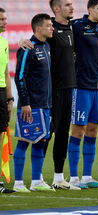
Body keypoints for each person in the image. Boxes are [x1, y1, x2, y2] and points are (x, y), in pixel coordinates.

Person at [19, 0, 79, 190]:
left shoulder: (73, 27)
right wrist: (22, 40)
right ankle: (37, 178)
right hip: (51, 92)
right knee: (45, 135)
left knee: (63, 134)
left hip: (69, 88)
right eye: (67, 5)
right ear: (56, 9)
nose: (72, 7)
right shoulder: (48, 29)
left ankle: (59, 178)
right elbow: (33, 39)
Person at [68, 0, 98, 188]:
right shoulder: (75, 26)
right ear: (90, 9)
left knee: (93, 131)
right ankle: (73, 178)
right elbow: (50, 29)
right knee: (78, 130)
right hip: (81, 86)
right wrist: (25, 39)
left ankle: (87, 177)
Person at [13, 13, 55, 192]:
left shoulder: (46, 46)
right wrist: (25, 102)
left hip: (45, 104)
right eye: (48, 25)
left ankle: (36, 181)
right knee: (24, 141)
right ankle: (18, 183)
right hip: (31, 105)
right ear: (38, 28)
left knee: (41, 142)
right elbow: (20, 77)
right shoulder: (27, 49)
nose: (52, 28)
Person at [0, 8, 15, 194]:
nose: (5, 22)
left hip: (2, 92)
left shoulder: (4, 42)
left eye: (5, 18)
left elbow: (6, 73)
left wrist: (10, 98)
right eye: (1, 19)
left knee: (1, 138)